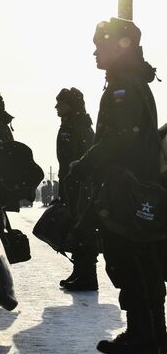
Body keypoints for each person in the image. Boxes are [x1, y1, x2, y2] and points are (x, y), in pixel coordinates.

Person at [67, 18, 165, 353]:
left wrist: (82, 166)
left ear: (119, 46)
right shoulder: (133, 81)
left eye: (100, 46)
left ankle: (142, 335)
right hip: (138, 188)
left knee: (127, 261)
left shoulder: (123, 84)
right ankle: (153, 334)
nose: (95, 52)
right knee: (144, 262)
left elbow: (117, 139)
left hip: (126, 189)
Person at [53, 87, 97, 291]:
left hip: (78, 184)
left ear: (70, 106)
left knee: (82, 229)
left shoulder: (74, 126)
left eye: (60, 103)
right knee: (80, 228)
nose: (56, 107)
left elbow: (70, 160)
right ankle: (81, 271)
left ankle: (87, 276)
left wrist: (68, 186)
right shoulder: (78, 124)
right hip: (78, 183)